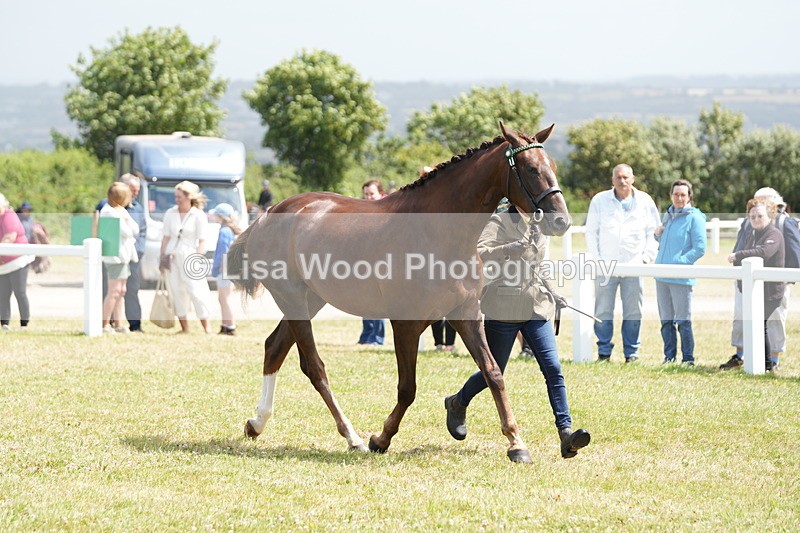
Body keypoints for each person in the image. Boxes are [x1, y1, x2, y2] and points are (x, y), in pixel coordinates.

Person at [444, 204, 591, 459]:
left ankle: (565, 433)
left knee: (553, 367)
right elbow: (480, 252)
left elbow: (538, 265)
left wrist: (554, 292)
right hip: (503, 307)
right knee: (493, 371)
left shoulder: (540, 222)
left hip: (536, 306)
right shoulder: (500, 221)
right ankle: (457, 402)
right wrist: (507, 250)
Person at [585, 163, 660, 363]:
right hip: (605, 267)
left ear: (633, 179)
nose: (622, 180)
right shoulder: (600, 200)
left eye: (626, 177)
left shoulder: (645, 201)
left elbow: (653, 233)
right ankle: (603, 352)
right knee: (602, 310)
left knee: (634, 311)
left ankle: (631, 353)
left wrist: (646, 258)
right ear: (612, 180)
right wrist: (598, 260)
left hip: (634, 266)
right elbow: (591, 232)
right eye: (618, 177)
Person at [722, 187, 799, 370]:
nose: (758, 207)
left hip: (775, 283)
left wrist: (788, 278)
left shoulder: (783, 224)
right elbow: (740, 245)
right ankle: (741, 355)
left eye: (763, 202)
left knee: (774, 322)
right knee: (742, 318)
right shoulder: (749, 225)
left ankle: (773, 360)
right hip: (746, 280)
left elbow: (795, 253)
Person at [654, 179, 706, 365]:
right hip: (661, 276)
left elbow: (700, 248)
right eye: (676, 194)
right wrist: (657, 234)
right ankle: (669, 358)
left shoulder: (695, 218)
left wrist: (680, 263)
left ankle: (688, 359)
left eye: (683, 194)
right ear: (671, 195)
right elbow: (665, 243)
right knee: (666, 321)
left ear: (689, 197)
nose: (679, 198)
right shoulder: (668, 215)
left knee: (683, 321)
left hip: (681, 278)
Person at [160, 181, 213, 334]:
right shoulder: (170, 213)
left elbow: (202, 240)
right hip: (171, 257)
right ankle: (185, 328)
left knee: (196, 291)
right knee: (176, 291)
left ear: (189, 197)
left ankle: (207, 327)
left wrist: (196, 258)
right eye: (175, 196)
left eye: (179, 196)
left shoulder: (198, 215)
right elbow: (166, 237)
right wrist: (162, 257)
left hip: (190, 256)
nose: (177, 199)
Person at [99, 182, 140, 334]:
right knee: (114, 291)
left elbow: (134, 229)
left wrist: (125, 217)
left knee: (122, 291)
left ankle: (118, 323)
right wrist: (125, 218)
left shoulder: (120, 210)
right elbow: (127, 232)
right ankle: (105, 324)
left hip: (124, 257)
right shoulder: (109, 212)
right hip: (115, 257)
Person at [357, 179, 387, 345]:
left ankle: (377, 338)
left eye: (372, 194)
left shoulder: (388, 209)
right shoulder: (365, 211)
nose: (368, 197)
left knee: (379, 300)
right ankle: (366, 336)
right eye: (366, 194)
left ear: (381, 193)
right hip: (365, 259)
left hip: (382, 261)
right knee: (365, 299)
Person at [0, 193, 34, 331]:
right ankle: (5, 324)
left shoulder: (9, 216)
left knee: (19, 292)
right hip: (3, 264)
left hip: (17, 260)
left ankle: (24, 324)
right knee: (2, 294)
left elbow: (10, 237)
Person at [120, 174, 147, 332]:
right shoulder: (106, 206)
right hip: (114, 257)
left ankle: (135, 324)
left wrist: (139, 251)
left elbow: (142, 232)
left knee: (132, 290)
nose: (136, 193)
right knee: (111, 291)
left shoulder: (138, 208)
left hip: (133, 257)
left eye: (137, 190)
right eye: (133, 190)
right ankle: (109, 322)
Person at [210, 202, 242, 335]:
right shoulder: (228, 230)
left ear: (220, 216)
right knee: (222, 298)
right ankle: (225, 325)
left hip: (225, 269)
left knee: (224, 299)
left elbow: (222, 252)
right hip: (229, 269)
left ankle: (230, 326)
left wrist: (217, 268)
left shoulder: (224, 231)